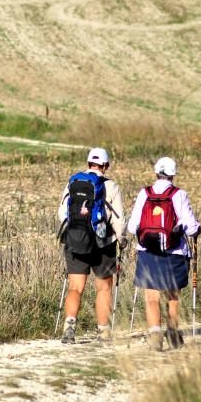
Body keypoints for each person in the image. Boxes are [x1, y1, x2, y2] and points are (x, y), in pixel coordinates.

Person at [127, 156, 200, 351]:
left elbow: (132, 227)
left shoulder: (144, 193)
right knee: (173, 295)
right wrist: (196, 229)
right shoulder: (179, 194)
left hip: (147, 251)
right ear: (173, 174)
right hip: (174, 252)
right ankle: (173, 332)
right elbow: (191, 229)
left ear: (156, 172)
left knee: (151, 297)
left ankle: (155, 336)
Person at [57, 147, 127, 344]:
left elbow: (62, 213)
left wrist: (74, 231)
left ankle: (69, 329)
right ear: (106, 166)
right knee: (103, 288)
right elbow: (119, 221)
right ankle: (103, 333)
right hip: (103, 243)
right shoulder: (111, 186)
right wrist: (121, 240)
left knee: (75, 287)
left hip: (75, 240)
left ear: (88, 163)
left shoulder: (73, 181)